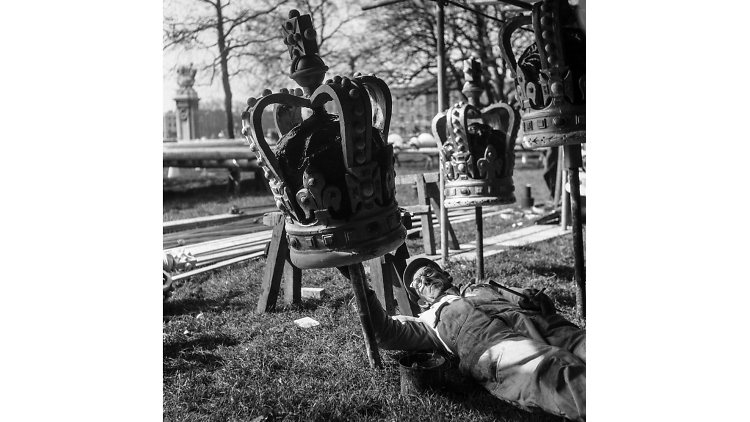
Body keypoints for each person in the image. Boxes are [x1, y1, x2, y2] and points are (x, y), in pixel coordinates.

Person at [362, 258, 586, 421]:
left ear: (447, 275)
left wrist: (531, 299)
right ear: (421, 300)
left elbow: (521, 296)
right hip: (497, 347)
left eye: (429, 271)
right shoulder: (428, 321)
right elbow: (385, 333)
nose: (425, 279)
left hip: (543, 325)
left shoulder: (482, 288)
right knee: (555, 370)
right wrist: (362, 288)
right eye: (418, 283)